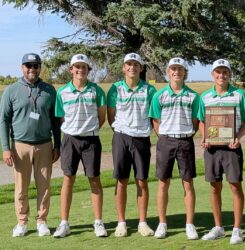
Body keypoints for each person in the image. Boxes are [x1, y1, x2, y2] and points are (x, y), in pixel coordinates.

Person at [0, 53, 61, 237]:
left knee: (44, 186)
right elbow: (3, 120)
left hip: (44, 145)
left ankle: (42, 221)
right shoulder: (11, 90)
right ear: (22, 67)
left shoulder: (49, 90)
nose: (32, 69)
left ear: (40, 68)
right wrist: (5, 148)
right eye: (28, 65)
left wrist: (57, 145)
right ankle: (22, 222)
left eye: (35, 65)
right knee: (21, 187)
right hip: (20, 146)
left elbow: (55, 120)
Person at [53, 54, 107, 238]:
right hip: (69, 139)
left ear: (88, 70)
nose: (80, 70)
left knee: (94, 179)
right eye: (77, 66)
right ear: (71, 69)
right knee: (68, 179)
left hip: (91, 140)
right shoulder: (62, 92)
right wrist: (74, 129)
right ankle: (64, 223)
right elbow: (61, 117)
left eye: (84, 67)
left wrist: (88, 129)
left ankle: (98, 222)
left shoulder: (96, 91)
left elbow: (102, 117)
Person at [198, 59, 245, 244]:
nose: (222, 75)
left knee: (235, 186)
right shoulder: (205, 96)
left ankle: (237, 229)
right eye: (218, 72)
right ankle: (218, 227)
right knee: (214, 187)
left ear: (230, 74)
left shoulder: (239, 94)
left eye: (225, 72)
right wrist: (204, 137)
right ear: (213, 74)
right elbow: (202, 121)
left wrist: (238, 137)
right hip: (212, 149)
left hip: (231, 147)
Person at [149, 57, 200, 240]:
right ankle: (162, 223)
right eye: (173, 69)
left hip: (186, 141)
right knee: (163, 182)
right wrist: (165, 136)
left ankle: (190, 224)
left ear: (185, 72)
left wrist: (185, 135)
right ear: (168, 72)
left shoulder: (193, 96)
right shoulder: (159, 95)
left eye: (180, 69)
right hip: (165, 141)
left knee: (188, 182)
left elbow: (195, 122)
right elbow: (155, 121)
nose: (176, 72)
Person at [107, 53, 156, 237]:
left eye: (136, 64)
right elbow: (111, 116)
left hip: (142, 138)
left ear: (141, 68)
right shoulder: (115, 89)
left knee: (141, 180)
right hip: (121, 136)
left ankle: (143, 222)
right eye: (129, 64)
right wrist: (122, 130)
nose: (132, 67)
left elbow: (153, 116)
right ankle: (121, 222)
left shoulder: (149, 90)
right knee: (122, 180)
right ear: (123, 67)